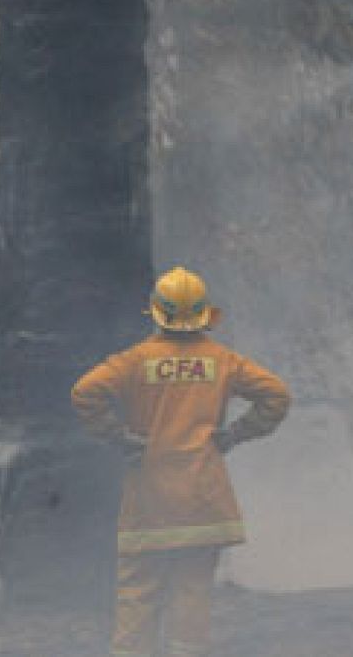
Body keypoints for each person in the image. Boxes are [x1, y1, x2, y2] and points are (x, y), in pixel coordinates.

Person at [72, 267, 291, 656]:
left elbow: (85, 391)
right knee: (193, 592)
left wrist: (117, 435)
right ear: (204, 314)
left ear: (157, 313)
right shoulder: (222, 361)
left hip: (149, 499)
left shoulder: (134, 361)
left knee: (137, 592)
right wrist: (236, 433)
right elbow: (276, 395)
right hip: (203, 499)